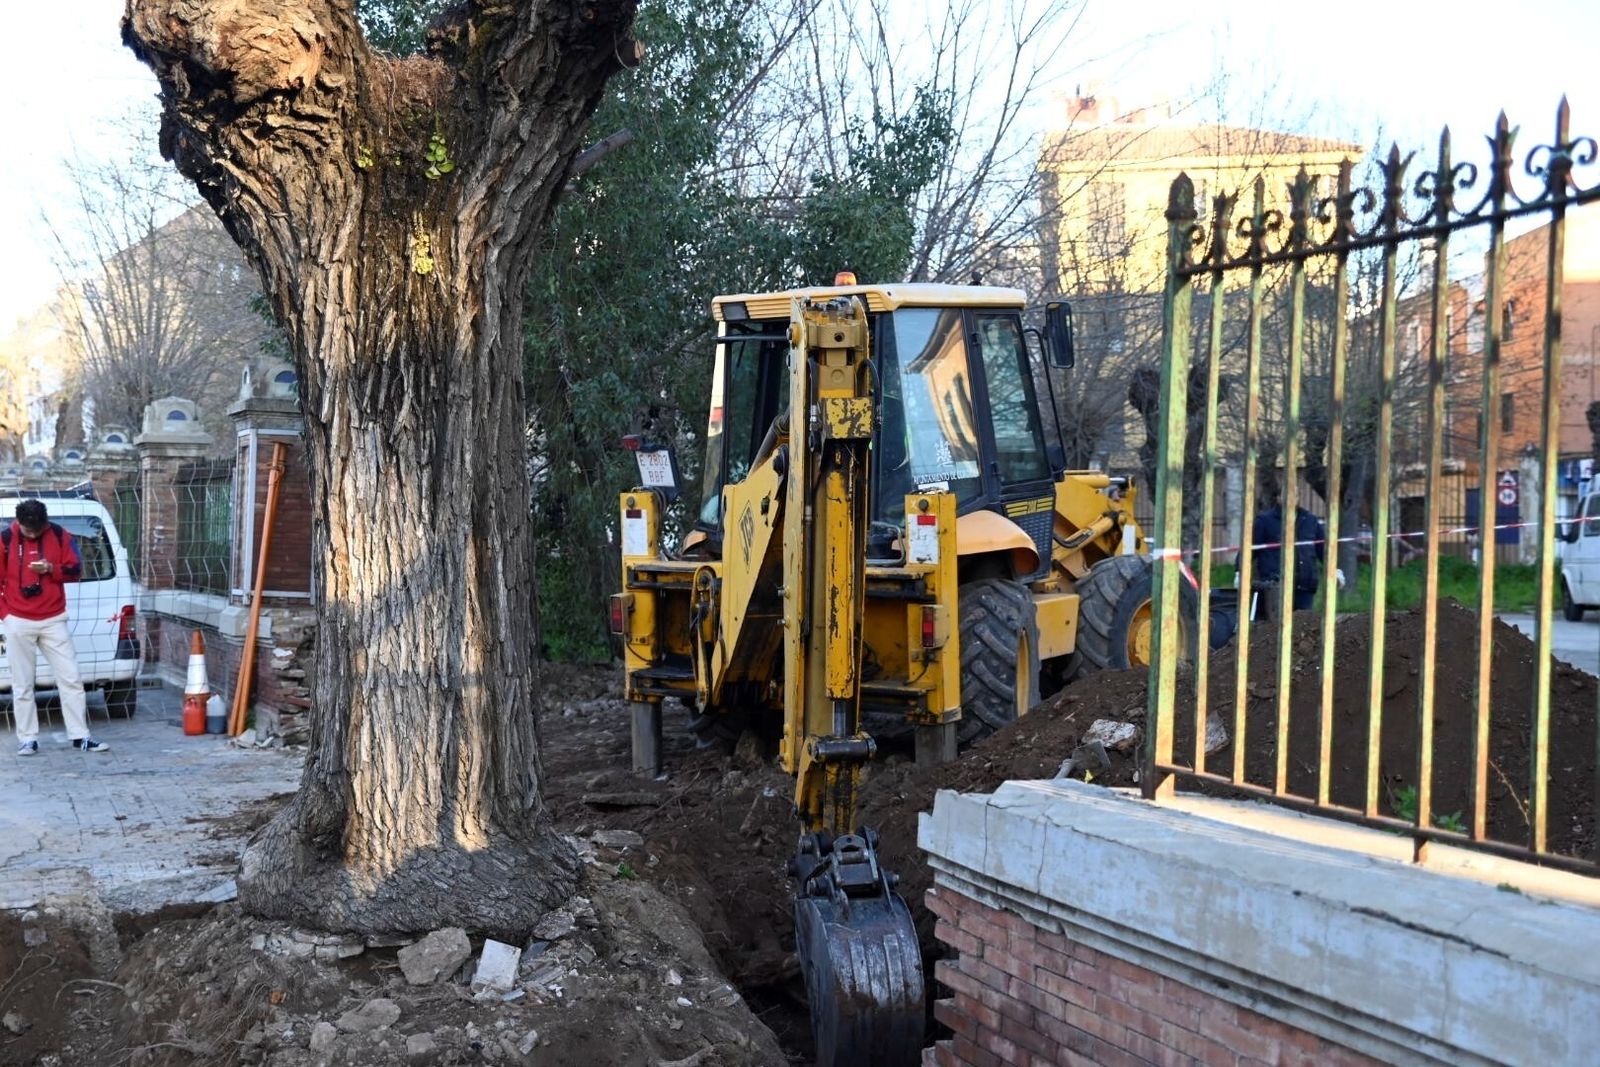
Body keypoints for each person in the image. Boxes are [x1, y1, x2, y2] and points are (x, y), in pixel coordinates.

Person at [5, 499, 108, 756]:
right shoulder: (5, 539)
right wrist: (5, 615)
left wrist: (51, 569)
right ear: (19, 522)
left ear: (45, 523)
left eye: (37, 530)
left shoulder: (61, 535)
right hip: (17, 619)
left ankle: (80, 735)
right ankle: (27, 739)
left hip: (54, 619)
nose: (32, 534)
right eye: (28, 530)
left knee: (71, 678)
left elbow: (75, 570)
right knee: (22, 684)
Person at [1243, 487, 1326, 613]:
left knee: (1302, 625)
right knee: (1274, 626)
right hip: (1275, 585)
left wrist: (1335, 569)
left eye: (1295, 495)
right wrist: (1240, 571)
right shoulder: (1265, 521)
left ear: (1299, 498)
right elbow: (1250, 548)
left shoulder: (1310, 520)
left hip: (1304, 585)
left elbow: (1323, 549)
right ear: (1278, 498)